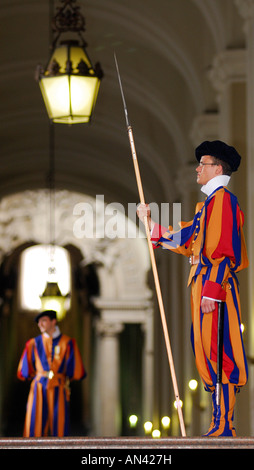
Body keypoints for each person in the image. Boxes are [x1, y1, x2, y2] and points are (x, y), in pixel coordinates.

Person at [137, 140, 248, 437]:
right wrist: (150, 224)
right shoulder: (208, 206)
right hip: (202, 287)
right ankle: (218, 421)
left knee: (219, 350)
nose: (197, 168)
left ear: (218, 168)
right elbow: (186, 237)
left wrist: (212, 291)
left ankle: (224, 425)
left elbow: (224, 249)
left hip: (215, 287)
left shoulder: (223, 200)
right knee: (205, 351)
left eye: (203, 164)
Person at [17, 309, 86, 437]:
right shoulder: (33, 343)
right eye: (39, 322)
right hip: (38, 388)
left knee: (59, 425)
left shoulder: (68, 343)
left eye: (43, 321)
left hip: (59, 387)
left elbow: (75, 371)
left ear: (53, 322)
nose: (40, 325)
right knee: (35, 424)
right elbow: (24, 371)